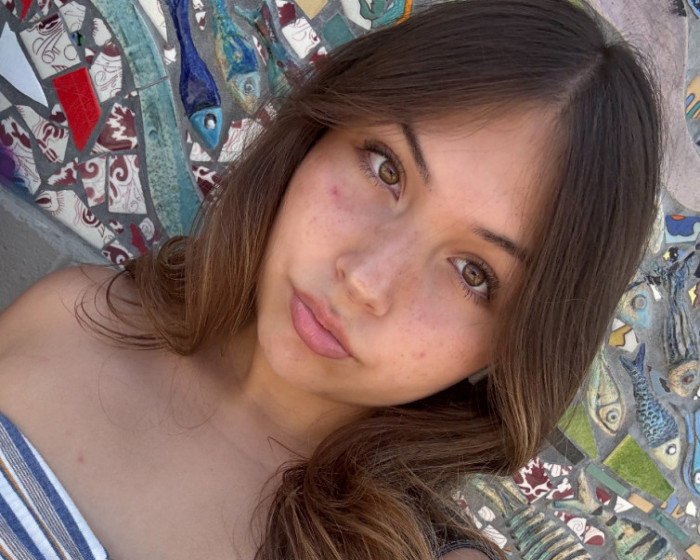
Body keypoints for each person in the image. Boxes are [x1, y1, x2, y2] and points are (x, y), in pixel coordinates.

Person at [0, 0, 661, 558]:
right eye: (386, 168)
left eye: (473, 273)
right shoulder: (73, 314)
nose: (367, 281)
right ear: (319, 132)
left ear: (512, 347)